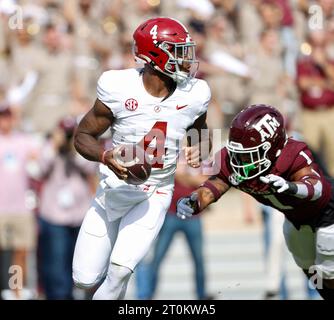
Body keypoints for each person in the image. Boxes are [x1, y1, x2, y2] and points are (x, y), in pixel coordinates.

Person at [72, 17, 211, 300]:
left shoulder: (196, 93)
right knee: (83, 280)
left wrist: (201, 148)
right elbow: (82, 136)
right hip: (111, 191)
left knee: (121, 270)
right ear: (156, 54)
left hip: (155, 193)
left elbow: (202, 135)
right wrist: (105, 155)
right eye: (179, 51)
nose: (187, 60)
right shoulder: (118, 86)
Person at [177, 104, 334, 300]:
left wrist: (292, 187)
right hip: (296, 219)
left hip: (328, 212)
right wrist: (194, 201)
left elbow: (316, 188)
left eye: (249, 153)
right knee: (310, 269)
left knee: (329, 273)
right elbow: (215, 185)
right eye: (237, 153)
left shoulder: (292, 154)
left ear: (272, 148)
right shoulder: (231, 159)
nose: (240, 161)